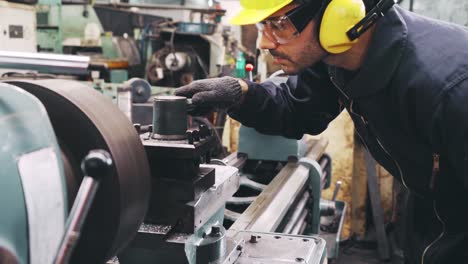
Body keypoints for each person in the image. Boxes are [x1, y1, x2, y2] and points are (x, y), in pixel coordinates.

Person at [175, 0, 468, 262]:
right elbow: (296, 109)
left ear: (341, 14)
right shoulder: (337, 56)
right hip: (431, 211)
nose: (264, 42)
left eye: (279, 24)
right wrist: (240, 94)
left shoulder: (450, 91)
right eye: (263, 24)